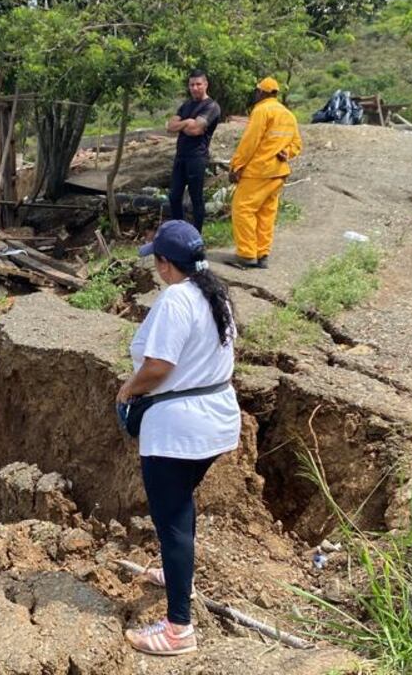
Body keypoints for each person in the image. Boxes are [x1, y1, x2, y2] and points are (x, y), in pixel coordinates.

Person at [117, 219, 240, 656]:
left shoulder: (175, 300)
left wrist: (128, 388)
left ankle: (178, 631)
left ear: (166, 264)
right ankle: (176, 573)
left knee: (170, 520)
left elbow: (159, 366)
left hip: (178, 429)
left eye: (157, 260)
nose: (156, 267)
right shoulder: (215, 292)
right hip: (217, 419)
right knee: (182, 504)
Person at [229, 76, 303, 269]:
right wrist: (286, 152)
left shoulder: (261, 110)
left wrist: (236, 165)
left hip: (259, 171)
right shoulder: (288, 115)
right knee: (266, 213)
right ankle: (262, 254)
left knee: (242, 209)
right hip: (278, 173)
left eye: (257, 91)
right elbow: (296, 145)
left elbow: (250, 141)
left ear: (261, 92)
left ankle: (246, 254)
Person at [166, 70, 222, 233]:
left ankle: (196, 234)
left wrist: (184, 125)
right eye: (192, 85)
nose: (195, 88)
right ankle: (179, 232)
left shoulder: (211, 106)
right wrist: (187, 123)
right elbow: (170, 126)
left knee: (195, 197)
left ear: (205, 84)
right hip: (180, 156)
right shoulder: (186, 105)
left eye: (198, 84)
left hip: (197, 157)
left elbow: (196, 129)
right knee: (174, 196)